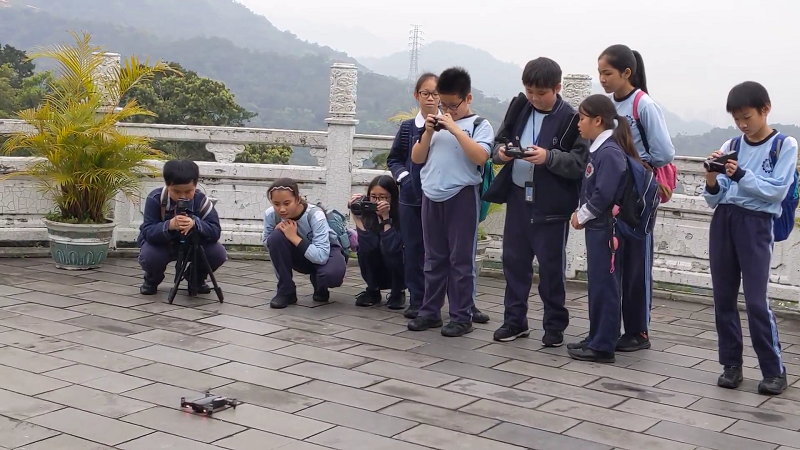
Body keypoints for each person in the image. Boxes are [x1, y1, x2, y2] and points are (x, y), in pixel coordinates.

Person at [703, 81, 795, 396]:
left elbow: (777, 191)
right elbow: (715, 198)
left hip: (757, 224)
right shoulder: (732, 144)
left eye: (747, 117)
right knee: (723, 297)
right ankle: (731, 365)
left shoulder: (784, 145)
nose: (743, 124)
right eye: (737, 119)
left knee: (756, 301)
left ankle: (774, 371)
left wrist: (741, 175)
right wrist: (712, 178)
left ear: (765, 109)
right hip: (724, 220)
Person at [490, 57, 589, 346]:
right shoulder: (520, 108)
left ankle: (555, 325)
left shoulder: (572, 119)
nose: (534, 98)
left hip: (551, 204)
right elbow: (498, 144)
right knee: (514, 262)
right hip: (518, 196)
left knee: (551, 267)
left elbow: (580, 162)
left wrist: (548, 157)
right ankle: (514, 321)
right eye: (530, 91)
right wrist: (503, 153)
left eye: (541, 93)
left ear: (557, 88)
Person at [387, 72, 490, 323]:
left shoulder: (479, 125)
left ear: (468, 98)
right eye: (444, 105)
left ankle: (461, 317)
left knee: (460, 261)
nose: (447, 110)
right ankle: (429, 312)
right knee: (433, 259)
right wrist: (429, 132)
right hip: (431, 195)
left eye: (453, 105)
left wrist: (455, 129)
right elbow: (417, 158)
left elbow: (481, 157)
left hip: (462, 196)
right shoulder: (434, 124)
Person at [597, 44, 676, 352]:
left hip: (638, 192)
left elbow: (665, 153)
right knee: (613, 258)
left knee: (637, 260)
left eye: (607, 73)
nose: (602, 79)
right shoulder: (607, 105)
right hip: (613, 188)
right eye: (600, 73)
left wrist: (636, 162)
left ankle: (638, 331)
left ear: (626, 73)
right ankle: (610, 327)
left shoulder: (643, 105)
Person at [568, 94, 647, 363]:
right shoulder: (601, 149)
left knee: (605, 285)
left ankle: (603, 346)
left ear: (598, 120)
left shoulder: (610, 152)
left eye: (582, 118)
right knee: (599, 284)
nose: (579, 123)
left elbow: (603, 194)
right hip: (599, 227)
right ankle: (597, 336)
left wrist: (581, 215)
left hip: (606, 228)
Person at [137, 159, 227, 295]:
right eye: (176, 192)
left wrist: (195, 223)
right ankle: (152, 279)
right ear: (167, 185)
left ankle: (195, 278)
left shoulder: (202, 201)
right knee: (150, 255)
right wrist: (169, 225)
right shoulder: (156, 198)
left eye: (188, 191)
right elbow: (147, 231)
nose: (182, 196)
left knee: (218, 253)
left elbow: (215, 231)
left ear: (196, 185)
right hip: (163, 244)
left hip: (193, 246)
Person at [262, 178, 347, 309]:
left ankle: (320, 282)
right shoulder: (271, 215)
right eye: (276, 204)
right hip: (300, 255)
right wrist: (277, 230)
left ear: (298, 199)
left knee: (331, 276)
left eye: (287, 203)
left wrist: (293, 237)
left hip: (326, 252)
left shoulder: (315, 215)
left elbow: (321, 256)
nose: (282, 209)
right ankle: (286, 291)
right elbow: (268, 243)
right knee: (275, 237)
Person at [349, 175, 405, 308]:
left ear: (393, 197)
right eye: (373, 197)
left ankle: (397, 291)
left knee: (393, 252)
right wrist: (356, 216)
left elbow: (393, 248)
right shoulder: (367, 210)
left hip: (398, 264)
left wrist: (385, 218)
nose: (377, 201)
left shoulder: (402, 211)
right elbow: (368, 246)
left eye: (383, 197)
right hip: (376, 262)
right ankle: (373, 289)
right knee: (364, 251)